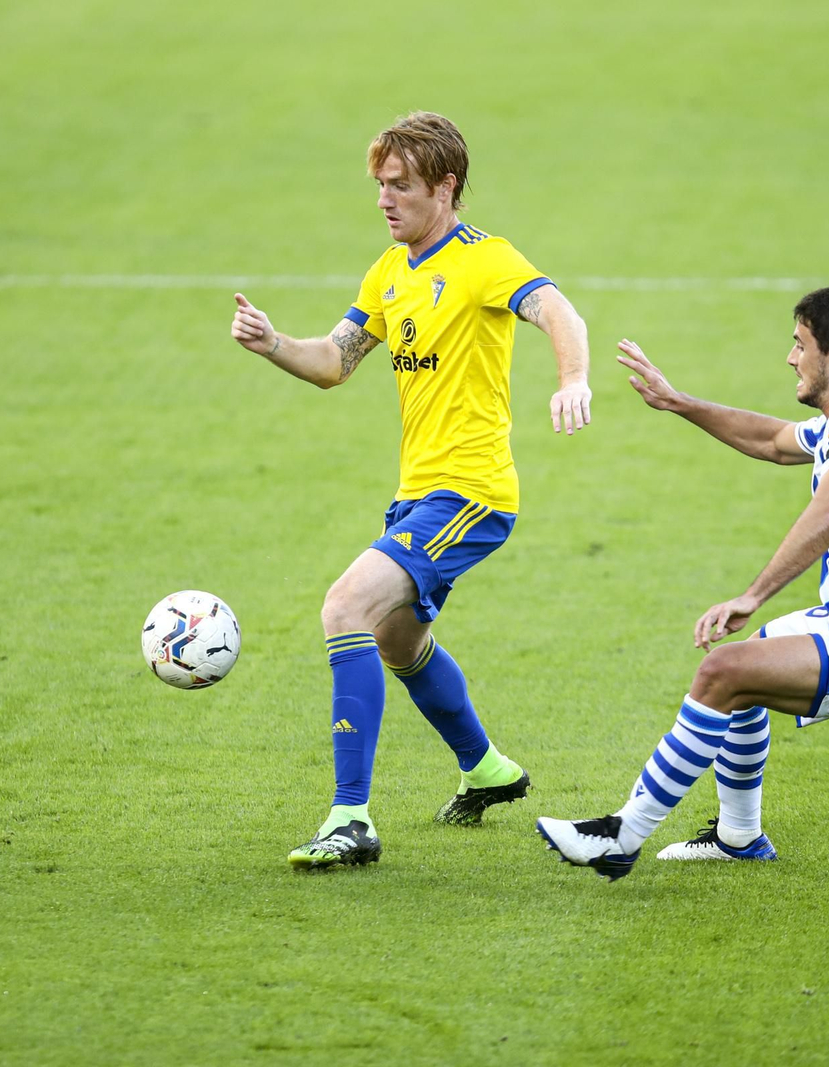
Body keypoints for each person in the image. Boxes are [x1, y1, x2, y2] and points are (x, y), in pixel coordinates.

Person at [230, 111, 593, 869]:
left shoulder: (484, 260)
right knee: (397, 638)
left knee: (345, 605)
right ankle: (489, 768)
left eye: (400, 186)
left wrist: (573, 379)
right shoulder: (389, 272)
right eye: (379, 186)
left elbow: (558, 309)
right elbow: (335, 359)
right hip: (418, 494)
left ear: (446, 186)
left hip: (472, 492)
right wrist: (273, 345)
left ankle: (351, 818)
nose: (384, 200)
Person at [535, 288, 829, 880]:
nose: (790, 358)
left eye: (799, 345)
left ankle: (620, 837)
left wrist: (751, 594)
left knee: (722, 673)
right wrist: (680, 403)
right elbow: (773, 441)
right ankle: (739, 837)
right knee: (745, 668)